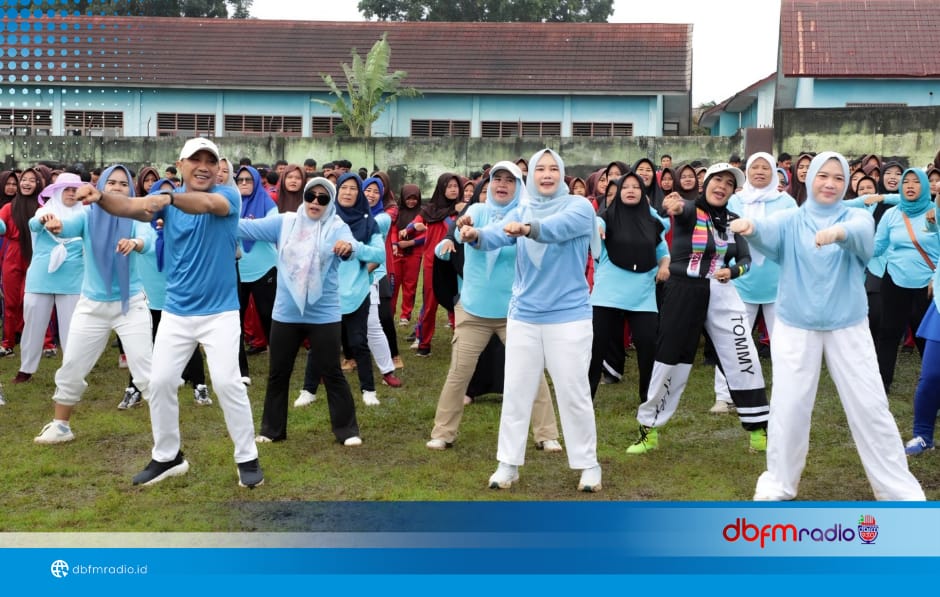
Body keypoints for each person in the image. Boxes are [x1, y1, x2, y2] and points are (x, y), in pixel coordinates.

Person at [730, 151, 925, 501]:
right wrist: (753, 228)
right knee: (789, 407)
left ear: (847, 182)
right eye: (824, 176)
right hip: (795, 325)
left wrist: (837, 232)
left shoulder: (855, 213)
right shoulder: (792, 218)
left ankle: (898, 491)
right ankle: (779, 483)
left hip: (846, 324)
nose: (830, 183)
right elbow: (771, 233)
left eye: (838, 177)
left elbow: (863, 235)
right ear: (810, 178)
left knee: (870, 407)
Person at [77, 138, 264, 489]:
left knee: (227, 383)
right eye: (196, 159)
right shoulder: (168, 201)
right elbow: (130, 206)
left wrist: (169, 198)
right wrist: (101, 197)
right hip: (177, 312)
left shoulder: (228, 195)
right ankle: (168, 456)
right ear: (181, 165)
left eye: (211, 159)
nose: (204, 165)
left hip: (220, 313)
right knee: (159, 382)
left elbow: (208, 204)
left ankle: (247, 456)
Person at [461, 148, 602, 493]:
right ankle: (507, 464)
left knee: (573, 392)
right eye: (541, 169)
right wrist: (475, 237)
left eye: (554, 169)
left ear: (563, 174)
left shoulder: (579, 207)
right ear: (532, 176)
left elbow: (556, 229)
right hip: (524, 315)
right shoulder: (522, 208)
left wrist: (527, 228)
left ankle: (588, 465)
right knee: (517, 391)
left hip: (568, 316)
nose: (547, 174)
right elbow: (499, 233)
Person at [627, 163, 770, 455]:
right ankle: (648, 430)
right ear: (706, 183)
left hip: (722, 292)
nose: (722, 186)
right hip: (683, 289)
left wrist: (733, 272)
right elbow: (679, 210)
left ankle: (758, 429)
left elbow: (745, 259)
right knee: (669, 360)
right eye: (718, 180)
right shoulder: (691, 209)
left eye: (729, 184)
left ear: (733, 191)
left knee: (744, 355)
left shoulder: (734, 220)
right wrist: (674, 205)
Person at [427, 161, 562, 453]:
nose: (501, 184)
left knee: (532, 372)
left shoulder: (525, 218)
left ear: (518, 187)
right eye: (496, 179)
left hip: (514, 311)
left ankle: (546, 434)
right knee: (459, 373)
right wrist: (450, 243)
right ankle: (443, 432)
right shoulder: (476, 211)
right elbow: (454, 236)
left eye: (509, 180)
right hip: (473, 309)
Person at [32, 165, 155, 444]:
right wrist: (58, 225)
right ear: (101, 187)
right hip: (91, 306)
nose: (117, 188)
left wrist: (135, 242)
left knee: (147, 373)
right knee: (72, 366)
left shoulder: (139, 214)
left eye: (124, 184)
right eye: (111, 182)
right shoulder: (88, 214)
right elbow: (71, 225)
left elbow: (148, 239)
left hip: (131, 304)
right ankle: (61, 425)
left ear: (132, 189)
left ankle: (166, 435)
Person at [239, 177, 364, 445]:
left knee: (331, 370)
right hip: (286, 312)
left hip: (324, 313)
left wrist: (348, 248)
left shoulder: (336, 226)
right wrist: (214, 211)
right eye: (311, 196)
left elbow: (352, 247)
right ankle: (272, 430)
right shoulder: (285, 222)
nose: (315, 202)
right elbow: (245, 228)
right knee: (278, 372)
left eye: (323, 198)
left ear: (330, 203)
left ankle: (347, 431)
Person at [710, 153, 797, 414]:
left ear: (774, 172)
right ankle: (724, 396)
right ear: (746, 171)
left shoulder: (787, 203)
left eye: (765, 168)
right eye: (754, 167)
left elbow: (792, 238)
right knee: (732, 341)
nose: (759, 172)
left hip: (777, 283)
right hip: (739, 282)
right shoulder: (734, 200)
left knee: (784, 344)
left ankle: (786, 396)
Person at [588, 172, 669, 403]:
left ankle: (649, 400)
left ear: (643, 193)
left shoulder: (652, 223)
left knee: (648, 348)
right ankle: (585, 401)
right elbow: (596, 223)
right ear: (618, 192)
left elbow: (663, 253)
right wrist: (598, 228)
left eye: (636, 187)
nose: (631, 190)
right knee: (595, 351)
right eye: (626, 187)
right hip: (607, 297)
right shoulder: (606, 218)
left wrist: (664, 266)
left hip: (642, 296)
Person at [872, 168, 939, 394]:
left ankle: (934, 386)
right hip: (895, 280)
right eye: (906, 182)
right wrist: (853, 248)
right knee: (889, 332)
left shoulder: (935, 212)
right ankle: (882, 383)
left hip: (928, 285)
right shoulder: (892, 215)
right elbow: (878, 246)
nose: (910, 185)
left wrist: (937, 276)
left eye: (915, 182)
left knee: (927, 336)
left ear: (924, 186)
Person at [14, 173, 86, 384]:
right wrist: (42, 219)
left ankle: (72, 372)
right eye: (67, 189)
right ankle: (26, 368)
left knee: (71, 328)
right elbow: (33, 225)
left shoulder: (85, 213)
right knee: (33, 323)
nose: (72, 193)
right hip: (41, 276)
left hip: (73, 277)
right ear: (57, 191)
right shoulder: (45, 210)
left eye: (75, 190)